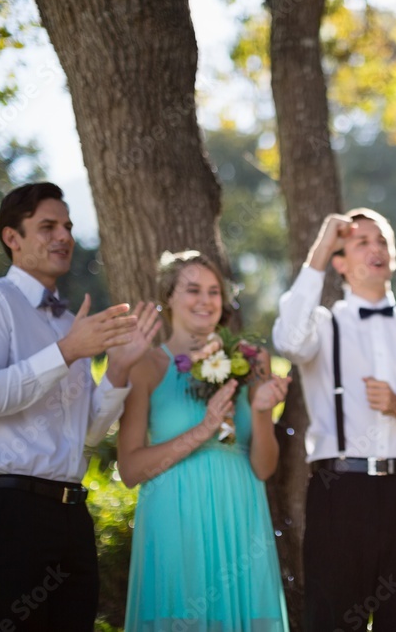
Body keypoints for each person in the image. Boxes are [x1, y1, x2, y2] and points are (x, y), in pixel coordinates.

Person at [0, 182, 160, 631]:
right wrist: (66, 352)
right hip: (9, 515)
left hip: (71, 517)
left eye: (67, 225)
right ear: (12, 237)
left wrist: (117, 369)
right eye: (47, 226)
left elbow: (87, 434)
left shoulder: (68, 322)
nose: (63, 236)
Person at [272, 208, 396, 631]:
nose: (376, 248)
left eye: (382, 241)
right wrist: (321, 248)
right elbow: (287, 340)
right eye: (361, 242)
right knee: (332, 621)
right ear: (340, 263)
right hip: (339, 493)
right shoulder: (321, 327)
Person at [118, 250, 290, 631]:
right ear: (169, 297)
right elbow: (129, 470)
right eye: (193, 289)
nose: (205, 300)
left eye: (214, 291)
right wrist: (202, 429)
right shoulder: (146, 366)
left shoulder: (252, 359)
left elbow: (264, 467)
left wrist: (262, 411)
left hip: (240, 513)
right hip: (174, 518)